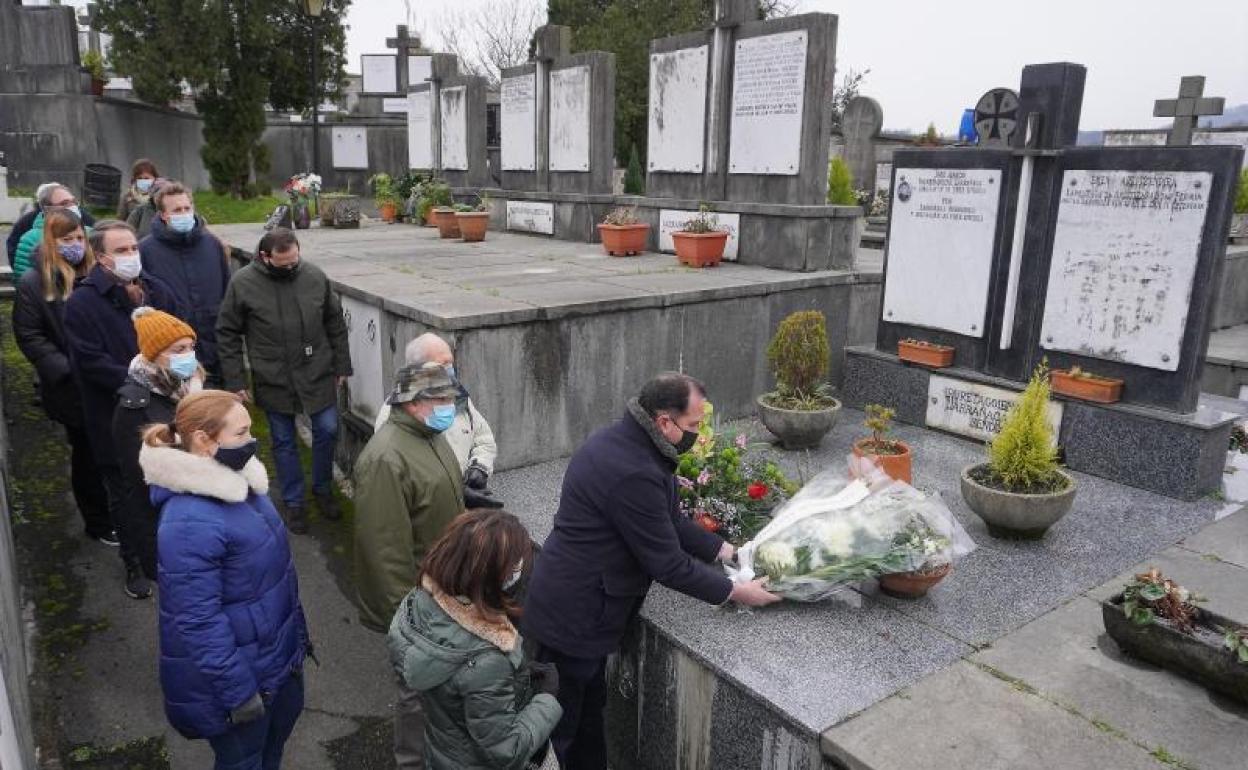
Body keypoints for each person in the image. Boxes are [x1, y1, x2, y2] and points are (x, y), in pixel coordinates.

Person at [523, 373, 779, 768]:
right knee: (567, 731)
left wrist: (728, 550)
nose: (697, 433)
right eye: (693, 425)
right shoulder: (634, 470)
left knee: (583, 720)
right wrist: (736, 592)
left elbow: (670, 521)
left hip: (575, 605)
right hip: (572, 618)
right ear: (664, 421)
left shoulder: (630, 443)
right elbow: (667, 564)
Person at [139, 390, 309, 770]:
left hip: (273, 664)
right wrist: (239, 693)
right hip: (241, 683)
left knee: (269, 753)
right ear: (203, 439)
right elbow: (197, 622)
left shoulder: (238, 481)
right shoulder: (186, 522)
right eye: (242, 433)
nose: (252, 441)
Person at [354, 362, 466, 769]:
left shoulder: (427, 436)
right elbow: (384, 554)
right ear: (415, 403)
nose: (450, 407)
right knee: (417, 698)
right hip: (420, 609)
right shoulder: (386, 458)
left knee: (440, 696)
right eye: (443, 399)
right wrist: (407, 626)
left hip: (445, 595)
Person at [388, 509, 562, 770]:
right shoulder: (487, 659)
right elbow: (506, 751)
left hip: (441, 750)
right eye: (514, 567)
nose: (518, 572)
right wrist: (546, 700)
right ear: (490, 578)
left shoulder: (419, 600)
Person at [64, 220, 183, 595]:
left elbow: (181, 335)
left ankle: (174, 556)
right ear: (101, 259)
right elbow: (89, 361)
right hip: (116, 417)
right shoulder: (82, 303)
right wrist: (143, 377)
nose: (132, 255)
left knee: (168, 487)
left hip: (166, 413)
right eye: (121, 251)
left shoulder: (156, 291)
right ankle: (135, 564)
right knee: (126, 496)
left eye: (133, 247)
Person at [216, 227, 351, 533]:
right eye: (284, 262)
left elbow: (335, 322)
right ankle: (294, 502)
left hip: (316, 370)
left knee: (328, 430)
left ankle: (322, 489)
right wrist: (236, 379)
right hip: (273, 375)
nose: (292, 266)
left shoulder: (314, 276)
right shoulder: (244, 283)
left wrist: (342, 365)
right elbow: (227, 332)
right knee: (284, 441)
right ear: (265, 257)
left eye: (295, 260)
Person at [12, 209, 113, 545]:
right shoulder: (33, 283)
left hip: (104, 380)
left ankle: (118, 510)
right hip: (71, 388)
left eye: (80, 238)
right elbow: (30, 336)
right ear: (52, 243)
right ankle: (97, 521)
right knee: (87, 457)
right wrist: (66, 369)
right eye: (67, 240)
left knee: (113, 451)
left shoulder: (96, 274)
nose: (75, 245)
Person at [112, 307, 204, 598]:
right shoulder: (133, 409)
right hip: (169, 523)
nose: (188, 354)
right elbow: (139, 485)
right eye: (179, 349)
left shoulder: (192, 387)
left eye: (191, 347)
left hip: (200, 514)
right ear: (155, 354)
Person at [374, 333, 500, 508]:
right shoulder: (392, 417)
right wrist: (458, 493)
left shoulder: (460, 398)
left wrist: (479, 467)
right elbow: (404, 485)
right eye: (442, 365)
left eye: (451, 363)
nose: (449, 370)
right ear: (418, 369)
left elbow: (483, 439)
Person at [139, 181, 230, 386]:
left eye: (187, 208)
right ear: (163, 215)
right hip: (173, 356)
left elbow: (227, 293)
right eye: (176, 210)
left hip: (215, 351)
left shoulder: (212, 245)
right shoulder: (146, 251)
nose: (183, 213)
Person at [7, 182, 98, 268]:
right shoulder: (30, 236)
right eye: (64, 203)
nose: (72, 206)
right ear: (47, 209)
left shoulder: (88, 229)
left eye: (74, 202)